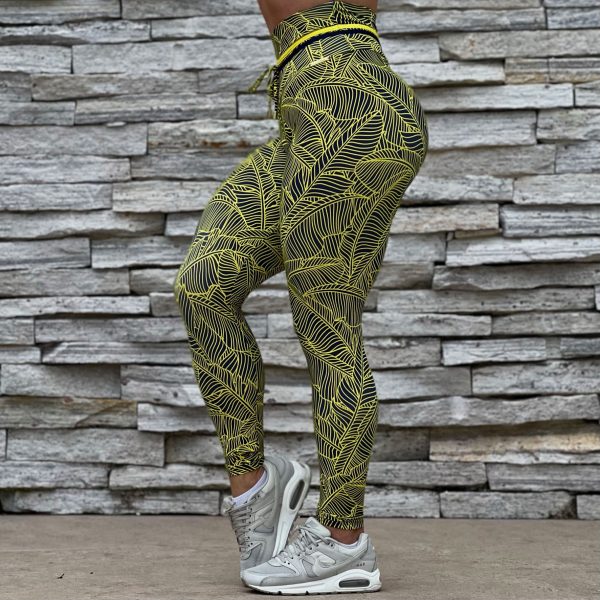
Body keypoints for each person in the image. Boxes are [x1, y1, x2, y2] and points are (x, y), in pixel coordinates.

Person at [173, 0, 429, 594]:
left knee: (327, 326)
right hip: (300, 109)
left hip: (353, 104)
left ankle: (345, 543)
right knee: (203, 285)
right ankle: (258, 491)